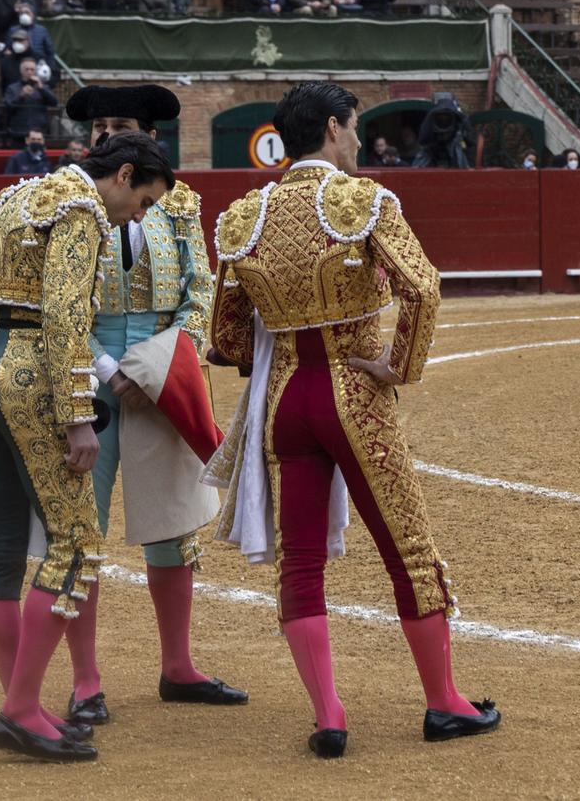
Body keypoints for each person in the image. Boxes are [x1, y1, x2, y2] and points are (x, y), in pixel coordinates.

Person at [206, 84, 499, 754]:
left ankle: (330, 716)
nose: (360, 140)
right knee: (409, 550)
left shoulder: (244, 216)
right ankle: (444, 703)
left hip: (284, 401)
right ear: (333, 129)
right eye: (356, 127)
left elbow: (224, 338)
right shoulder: (361, 201)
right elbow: (422, 287)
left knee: (301, 563)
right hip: (354, 392)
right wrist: (399, 365)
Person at [0, 132, 175, 762]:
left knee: (1, 550)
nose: (140, 216)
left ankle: (27, 705)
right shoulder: (82, 211)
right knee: (74, 545)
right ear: (123, 175)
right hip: (34, 379)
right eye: (144, 200)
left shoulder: (12, 199)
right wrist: (75, 419)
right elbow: (67, 320)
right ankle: (19, 709)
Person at [48, 86, 245, 726]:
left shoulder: (179, 203)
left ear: (148, 137)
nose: (105, 136)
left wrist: (156, 365)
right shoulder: (68, 201)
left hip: (165, 376)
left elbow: (200, 294)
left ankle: (178, 667)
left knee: (174, 526)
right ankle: (85, 681)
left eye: (120, 125)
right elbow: (58, 304)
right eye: (99, 126)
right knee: (81, 527)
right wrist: (110, 368)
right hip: (86, 371)